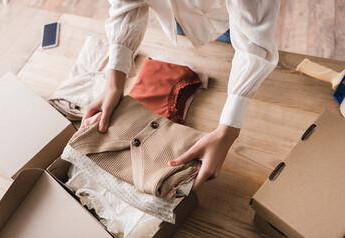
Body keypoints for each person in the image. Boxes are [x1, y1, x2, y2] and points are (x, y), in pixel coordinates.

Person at [81, 0, 280, 192]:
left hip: (227, 12)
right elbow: (126, 3)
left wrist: (228, 132)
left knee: (226, 29)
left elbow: (253, 43)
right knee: (184, 22)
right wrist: (114, 83)